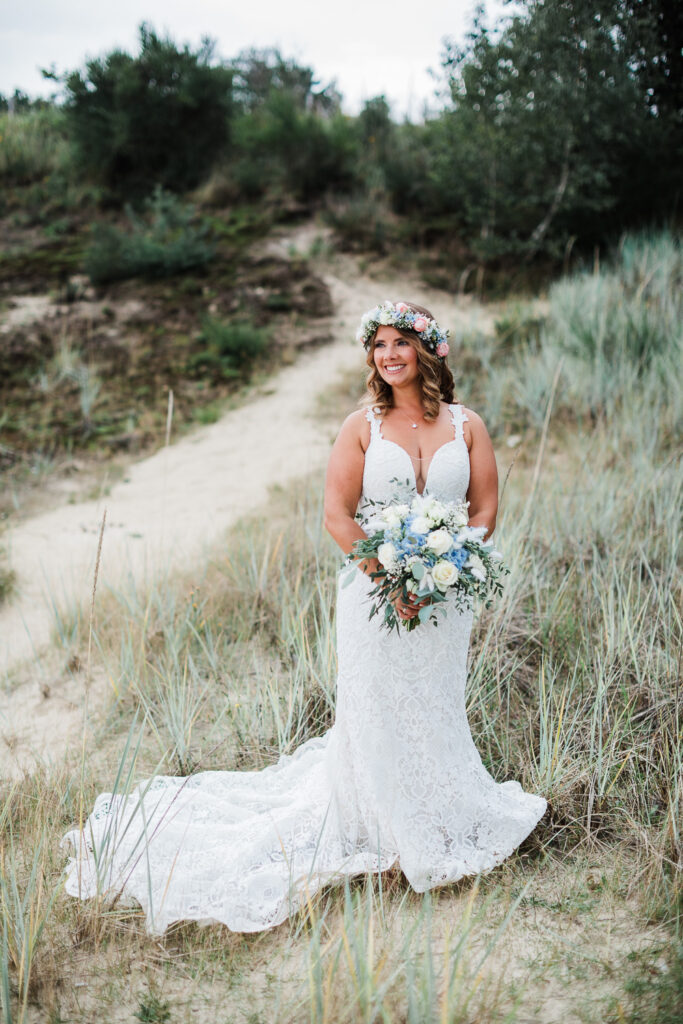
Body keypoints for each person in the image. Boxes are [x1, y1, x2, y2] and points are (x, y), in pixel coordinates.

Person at [62, 300, 547, 935]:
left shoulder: (468, 426)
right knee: (375, 709)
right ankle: (378, 827)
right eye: (379, 345)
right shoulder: (360, 427)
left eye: (401, 342)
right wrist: (391, 577)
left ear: (428, 350)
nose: (389, 355)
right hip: (374, 597)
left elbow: (484, 511)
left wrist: (445, 568)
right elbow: (336, 516)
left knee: (434, 703)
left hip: (445, 599)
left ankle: (440, 813)